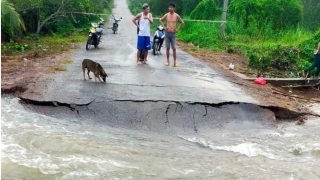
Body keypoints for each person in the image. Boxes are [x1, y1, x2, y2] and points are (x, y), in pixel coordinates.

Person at [159, 2, 184, 67]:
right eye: (169, 7)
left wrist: (177, 29)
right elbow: (160, 20)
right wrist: (164, 27)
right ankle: (167, 61)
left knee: (174, 48)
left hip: (173, 33)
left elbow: (182, 23)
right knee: (167, 48)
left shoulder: (176, 15)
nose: (170, 8)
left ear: (174, 8)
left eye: (171, 7)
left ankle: (175, 62)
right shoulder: (167, 15)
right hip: (167, 33)